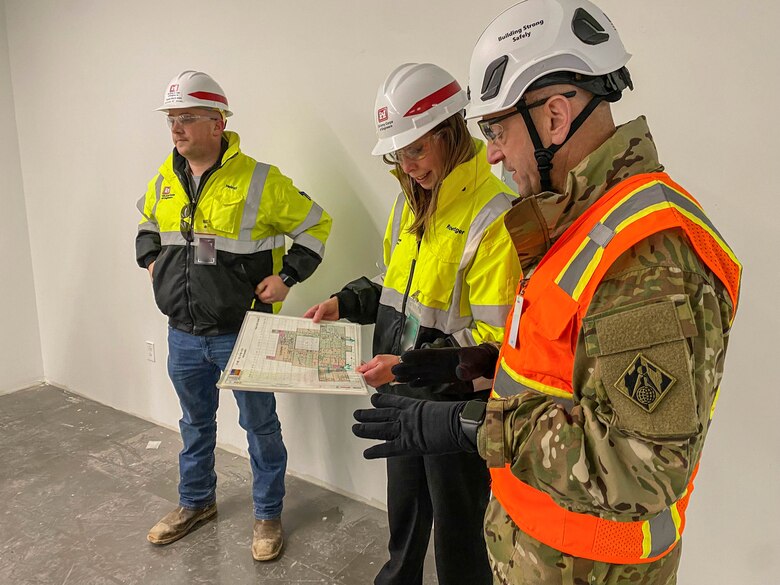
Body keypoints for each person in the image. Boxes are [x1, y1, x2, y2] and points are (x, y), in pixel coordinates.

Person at [352, 2, 742, 584]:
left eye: (496, 130)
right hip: (538, 553)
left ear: (555, 116)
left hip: (588, 571)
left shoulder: (644, 258)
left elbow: (646, 468)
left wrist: (470, 424)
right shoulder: (580, 222)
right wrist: (468, 364)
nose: (492, 154)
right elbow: (567, 368)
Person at [305, 63, 521, 585]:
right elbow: (400, 292)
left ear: (451, 132)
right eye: (398, 154)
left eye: (417, 150)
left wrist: (406, 366)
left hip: (453, 404)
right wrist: (347, 301)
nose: (408, 165)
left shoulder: (495, 217)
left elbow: (494, 345)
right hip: (401, 390)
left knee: (458, 526)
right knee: (403, 507)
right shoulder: (409, 204)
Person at [135, 70, 332, 561]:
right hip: (182, 332)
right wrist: (149, 258)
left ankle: (267, 515)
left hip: (244, 330)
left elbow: (315, 224)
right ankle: (195, 503)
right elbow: (145, 219)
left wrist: (287, 277)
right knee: (194, 425)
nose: (176, 129)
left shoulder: (260, 179)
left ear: (218, 122)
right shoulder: (166, 176)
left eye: (186, 119)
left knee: (260, 427)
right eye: (172, 120)